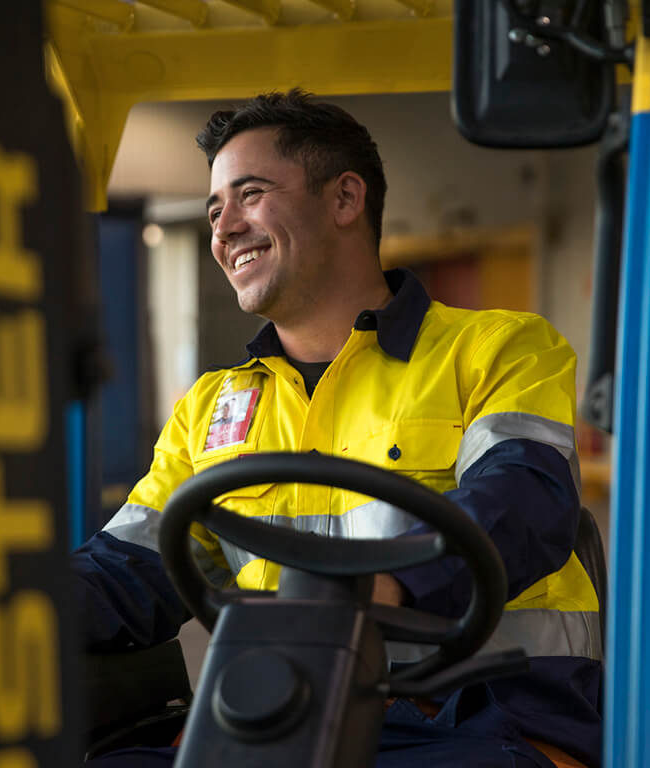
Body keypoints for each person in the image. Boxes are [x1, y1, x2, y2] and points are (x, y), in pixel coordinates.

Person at [74, 90, 602, 768]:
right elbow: (131, 565)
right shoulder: (210, 407)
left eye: (249, 195)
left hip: (474, 718)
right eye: (213, 209)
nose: (223, 228)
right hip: (278, 714)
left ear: (345, 199)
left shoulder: (498, 349)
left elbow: (524, 498)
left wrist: (382, 583)